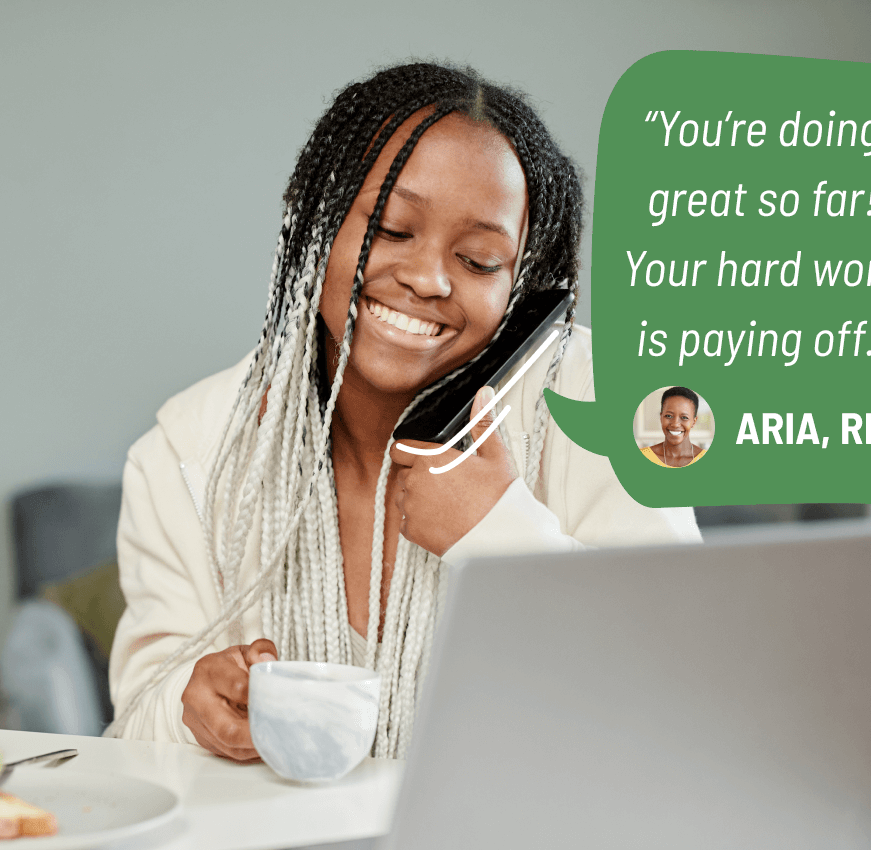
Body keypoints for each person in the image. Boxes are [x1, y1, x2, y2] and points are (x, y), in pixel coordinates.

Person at [106, 62, 701, 761]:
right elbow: (135, 725)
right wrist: (193, 707)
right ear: (315, 218)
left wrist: (500, 533)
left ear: (523, 282)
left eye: (479, 260)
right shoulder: (185, 455)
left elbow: (690, 691)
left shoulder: (603, 408)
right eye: (391, 229)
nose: (427, 278)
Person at [640, 387, 708, 468]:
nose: (675, 424)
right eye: (669, 416)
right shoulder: (644, 456)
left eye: (684, 417)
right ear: (661, 417)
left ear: (694, 421)